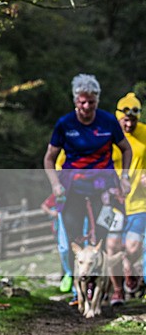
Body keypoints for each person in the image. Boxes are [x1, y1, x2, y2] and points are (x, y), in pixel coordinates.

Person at [43, 74, 132, 306]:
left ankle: (100, 290)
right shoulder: (65, 124)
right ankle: (79, 291)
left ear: (97, 101)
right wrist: (55, 184)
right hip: (72, 187)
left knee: (100, 239)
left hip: (103, 187)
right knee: (75, 240)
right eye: (82, 102)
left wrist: (124, 177)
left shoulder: (108, 122)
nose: (86, 107)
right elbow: (49, 158)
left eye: (91, 102)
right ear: (75, 101)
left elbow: (126, 149)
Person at [112, 92, 146, 298]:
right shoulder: (109, 135)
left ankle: (129, 267)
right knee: (112, 246)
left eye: (133, 120)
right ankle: (117, 289)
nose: (129, 125)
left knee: (133, 247)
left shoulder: (144, 133)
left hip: (139, 201)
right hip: (113, 202)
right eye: (125, 120)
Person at [40, 193, 73, 292]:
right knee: (64, 251)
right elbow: (44, 206)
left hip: (72, 228)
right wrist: (51, 212)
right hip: (58, 229)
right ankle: (65, 277)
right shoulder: (57, 195)